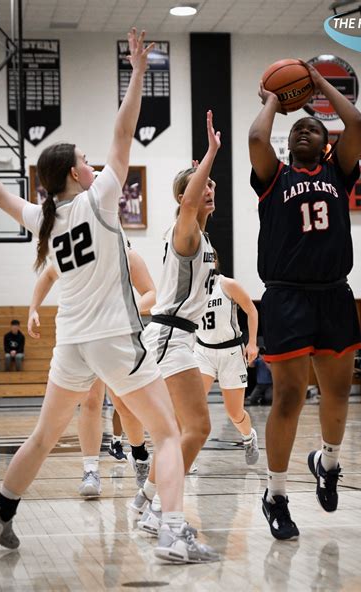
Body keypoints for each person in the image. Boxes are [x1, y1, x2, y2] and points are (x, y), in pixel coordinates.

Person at [0, 29, 218, 563]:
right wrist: (135, 72)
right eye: (85, 160)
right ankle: (176, 534)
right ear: (72, 173)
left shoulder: (41, 216)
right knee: (170, 433)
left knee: (42, 437)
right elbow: (125, 128)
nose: (94, 165)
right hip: (112, 337)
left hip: (72, 343)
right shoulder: (99, 199)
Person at [249, 61, 361, 540]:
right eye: (297, 129)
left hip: (334, 294)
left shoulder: (340, 171)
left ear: (324, 143)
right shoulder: (272, 176)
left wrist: (316, 85)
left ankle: (328, 462)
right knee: (291, 397)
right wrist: (276, 98)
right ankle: (275, 496)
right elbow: (257, 138)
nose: (303, 132)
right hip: (287, 296)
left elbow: (355, 123)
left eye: (312, 129)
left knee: (337, 393)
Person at [131, 110, 221, 538]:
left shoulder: (200, 239)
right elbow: (188, 200)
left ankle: (147, 500)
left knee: (175, 431)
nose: (210, 190)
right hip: (170, 336)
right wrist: (211, 153)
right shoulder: (185, 231)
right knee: (197, 428)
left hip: (176, 337)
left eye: (212, 186)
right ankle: (158, 512)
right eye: (204, 186)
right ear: (187, 195)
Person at [27, 248, 154, 496]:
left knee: (124, 405)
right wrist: (33, 308)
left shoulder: (127, 255)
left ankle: (139, 455)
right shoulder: (80, 250)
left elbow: (152, 293)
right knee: (91, 401)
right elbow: (49, 274)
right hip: (85, 335)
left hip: (117, 337)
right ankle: (90, 470)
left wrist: (127, 309)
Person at [194, 267, 260, 465]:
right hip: (203, 352)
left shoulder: (227, 285)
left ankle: (248, 437)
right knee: (193, 407)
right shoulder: (190, 290)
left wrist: (252, 343)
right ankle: (189, 457)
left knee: (234, 412)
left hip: (230, 352)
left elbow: (251, 310)